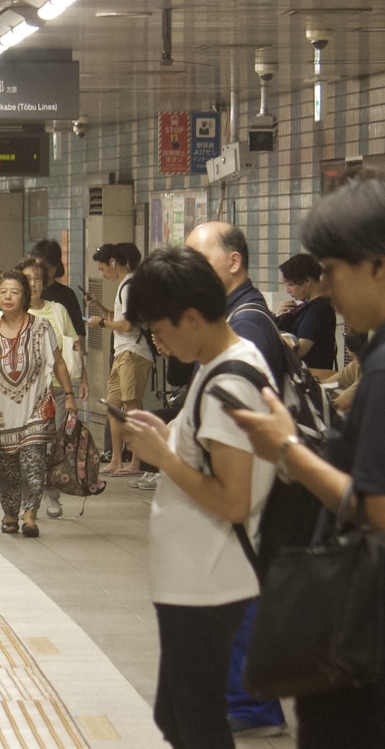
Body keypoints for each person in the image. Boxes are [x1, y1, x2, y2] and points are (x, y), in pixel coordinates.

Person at [226, 170, 385, 749]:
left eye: (333, 272)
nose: (325, 289)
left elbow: (376, 509)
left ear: (378, 264)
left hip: (365, 639)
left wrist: (287, 449)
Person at [117, 247, 276, 749]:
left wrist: (162, 458)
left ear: (190, 317)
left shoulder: (231, 380)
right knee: (178, 716)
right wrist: (165, 434)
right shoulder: (216, 363)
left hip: (210, 581)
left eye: (159, 331)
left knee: (197, 722)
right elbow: (206, 450)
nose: (157, 343)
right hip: (195, 578)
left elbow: (234, 499)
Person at [183, 221, 291, 739]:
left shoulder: (246, 329)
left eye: (199, 260)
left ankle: (251, 707)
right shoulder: (241, 317)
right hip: (250, 484)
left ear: (233, 261)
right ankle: (249, 703)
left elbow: (238, 418)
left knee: (238, 592)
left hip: (248, 487)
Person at [0, 269, 77, 538]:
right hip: (0, 411)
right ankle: (9, 514)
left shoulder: (42, 327)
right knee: (9, 469)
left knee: (33, 462)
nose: (7, 297)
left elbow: (59, 362)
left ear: (25, 295)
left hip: (36, 407)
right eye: (3, 292)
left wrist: (70, 395)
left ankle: (30, 515)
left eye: (14, 292)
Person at [20, 257, 89, 520]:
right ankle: (31, 497)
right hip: (26, 393)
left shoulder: (57, 310)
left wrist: (81, 380)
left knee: (56, 444)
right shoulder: (15, 313)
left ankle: (51, 494)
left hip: (59, 389)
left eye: (38, 278)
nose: (34, 283)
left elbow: (74, 346)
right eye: (28, 279)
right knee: (31, 446)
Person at [86, 243, 154, 477]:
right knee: (113, 407)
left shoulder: (130, 286)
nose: (103, 273)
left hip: (133, 353)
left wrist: (101, 324)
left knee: (132, 407)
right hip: (122, 353)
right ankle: (116, 459)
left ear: (114, 262)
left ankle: (136, 461)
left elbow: (126, 325)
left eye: (103, 268)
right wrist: (99, 307)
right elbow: (119, 317)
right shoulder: (125, 286)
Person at [275, 252, 337, 371]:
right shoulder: (309, 306)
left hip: (310, 376)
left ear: (307, 281)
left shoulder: (318, 309)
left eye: (291, 285)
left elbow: (300, 349)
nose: (288, 291)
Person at [30, 239, 86, 338]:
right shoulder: (24, 292)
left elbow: (77, 333)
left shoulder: (66, 295)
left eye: (47, 269)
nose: (42, 273)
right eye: (38, 267)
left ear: (56, 267)